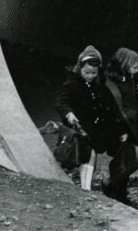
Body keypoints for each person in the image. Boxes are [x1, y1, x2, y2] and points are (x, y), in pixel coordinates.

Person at [55, 45, 120, 192]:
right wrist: (69, 114)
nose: (90, 76)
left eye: (94, 73)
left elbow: (110, 104)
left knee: (93, 153)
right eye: (87, 72)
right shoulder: (72, 84)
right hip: (81, 125)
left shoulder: (99, 84)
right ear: (80, 68)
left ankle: (88, 184)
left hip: (96, 126)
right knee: (88, 153)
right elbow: (61, 102)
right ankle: (85, 188)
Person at [102, 48, 138, 204]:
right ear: (124, 64)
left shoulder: (129, 78)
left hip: (132, 125)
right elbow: (113, 109)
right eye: (134, 65)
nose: (137, 68)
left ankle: (114, 188)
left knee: (130, 160)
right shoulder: (111, 84)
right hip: (121, 128)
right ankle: (118, 193)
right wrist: (121, 130)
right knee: (125, 160)